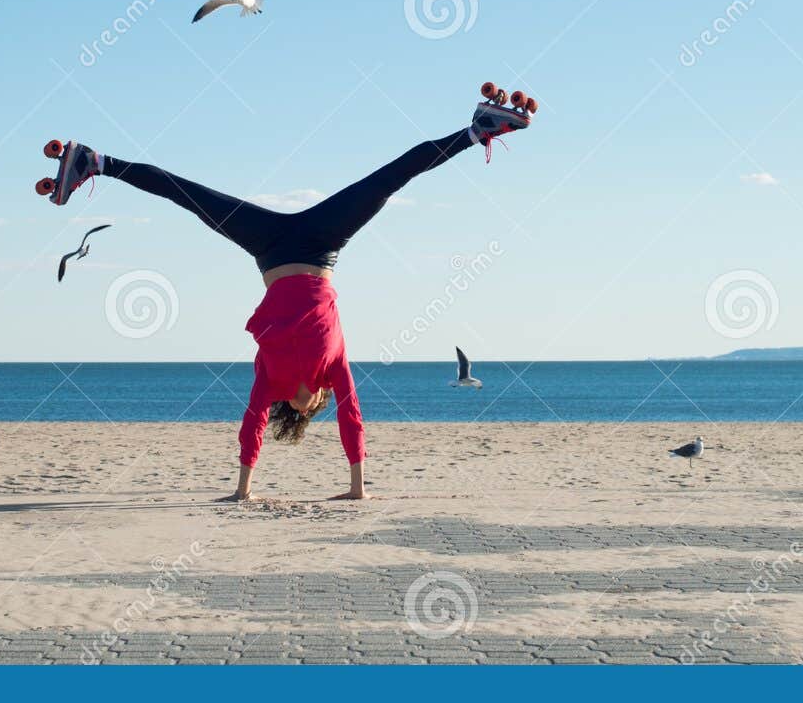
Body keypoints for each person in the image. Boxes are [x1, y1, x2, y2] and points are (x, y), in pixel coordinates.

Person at [40, 86, 535, 500]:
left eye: (312, 411)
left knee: (185, 194)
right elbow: (354, 419)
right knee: (391, 177)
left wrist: (243, 488)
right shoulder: (332, 372)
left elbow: (252, 425)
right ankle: (478, 130)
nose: (321, 404)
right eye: (324, 405)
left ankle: (95, 161)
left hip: (271, 250)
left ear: (298, 411)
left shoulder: (272, 384)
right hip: (323, 246)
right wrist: (358, 487)